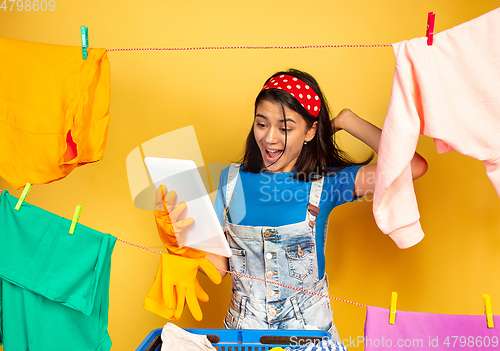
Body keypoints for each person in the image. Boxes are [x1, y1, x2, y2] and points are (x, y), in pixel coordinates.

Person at [203, 69, 428, 341]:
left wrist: (348, 120)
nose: (270, 138)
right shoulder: (230, 180)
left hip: (310, 335)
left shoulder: (327, 183)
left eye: (285, 128)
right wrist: (179, 241)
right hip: (242, 336)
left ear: (310, 131)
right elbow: (217, 269)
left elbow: (413, 166)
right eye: (262, 124)